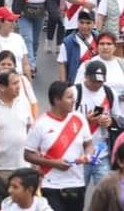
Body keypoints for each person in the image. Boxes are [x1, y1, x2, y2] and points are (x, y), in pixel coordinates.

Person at [24, 81, 93, 211]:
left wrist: (87, 155)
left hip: (76, 182)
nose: (73, 101)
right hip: (51, 185)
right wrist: (54, 163)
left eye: (73, 97)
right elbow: (28, 154)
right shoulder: (41, 124)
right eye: (69, 97)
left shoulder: (79, 118)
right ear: (56, 100)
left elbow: (88, 144)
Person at [74, 60, 124, 186]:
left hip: (102, 153)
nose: (97, 84)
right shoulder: (75, 92)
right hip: (80, 154)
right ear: (85, 76)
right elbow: (64, 121)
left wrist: (110, 121)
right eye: (93, 81)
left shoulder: (109, 92)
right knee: (77, 196)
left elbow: (120, 119)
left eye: (100, 81)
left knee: (105, 194)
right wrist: (85, 120)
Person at [74, 32, 124, 116]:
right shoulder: (88, 64)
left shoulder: (123, 64)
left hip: (118, 114)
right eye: (102, 44)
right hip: (93, 113)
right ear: (97, 46)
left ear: (115, 47)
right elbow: (77, 89)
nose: (105, 47)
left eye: (109, 44)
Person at [58, 10, 98, 83]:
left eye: (88, 23)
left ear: (94, 24)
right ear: (77, 22)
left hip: (96, 84)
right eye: (81, 22)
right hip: (76, 85)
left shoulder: (99, 39)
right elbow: (62, 64)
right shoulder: (68, 42)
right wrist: (63, 88)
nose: (84, 26)